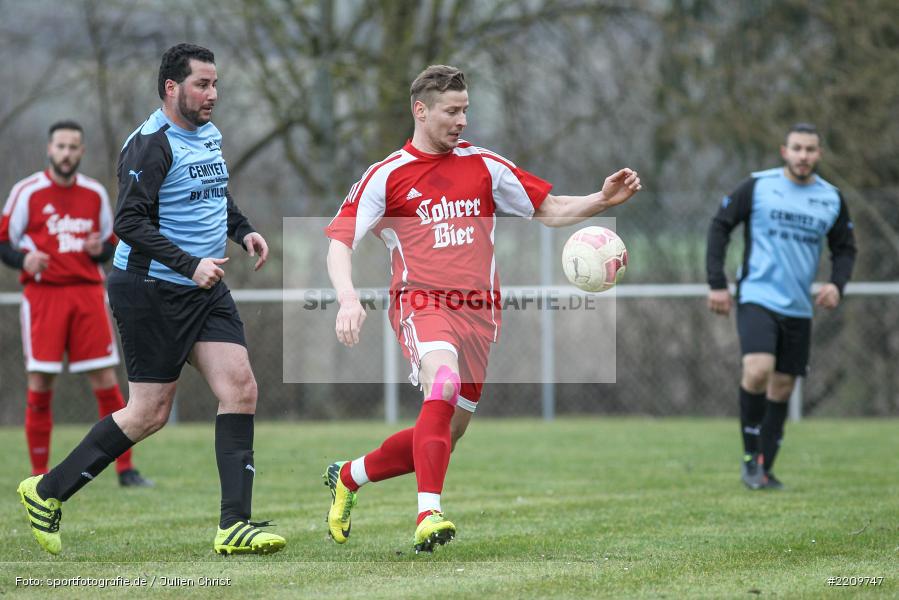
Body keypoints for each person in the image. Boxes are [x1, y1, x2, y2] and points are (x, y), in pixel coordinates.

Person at [322, 65, 641, 552]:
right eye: (452, 111)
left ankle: (350, 475)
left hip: (480, 314)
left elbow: (550, 210)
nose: (462, 120)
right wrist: (347, 296)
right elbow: (340, 242)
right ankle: (428, 513)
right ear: (420, 110)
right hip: (420, 303)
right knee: (442, 384)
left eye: (466, 110)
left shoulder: (485, 166)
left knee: (446, 432)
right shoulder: (386, 176)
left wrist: (602, 198)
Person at [15, 43, 285, 557]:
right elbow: (129, 224)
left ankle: (234, 526)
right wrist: (189, 263)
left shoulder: (208, 134)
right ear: (171, 88)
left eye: (215, 84)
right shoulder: (150, 144)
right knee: (148, 413)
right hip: (150, 291)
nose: (213, 94)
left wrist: (243, 230)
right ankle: (46, 492)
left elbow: (212, 192)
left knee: (241, 387)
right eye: (202, 85)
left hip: (202, 289)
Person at [0, 121, 152, 488]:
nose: (66, 153)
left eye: (73, 147)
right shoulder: (27, 192)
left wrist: (101, 250)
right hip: (44, 297)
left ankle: (125, 470)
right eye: (61, 146)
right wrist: (24, 260)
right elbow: (4, 242)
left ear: (82, 151)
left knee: (106, 380)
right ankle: (38, 475)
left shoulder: (95, 194)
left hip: (87, 294)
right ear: (49, 150)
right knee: (40, 382)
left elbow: (117, 243)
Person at [706, 122, 856, 491]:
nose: (803, 156)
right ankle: (749, 459)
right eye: (797, 148)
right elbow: (720, 226)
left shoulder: (831, 198)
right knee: (758, 370)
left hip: (798, 305)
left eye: (810, 149)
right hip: (757, 295)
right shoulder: (758, 186)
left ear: (818, 154)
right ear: (783, 151)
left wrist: (837, 285)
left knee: (783, 386)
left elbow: (845, 248)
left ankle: (764, 469)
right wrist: (716, 283)